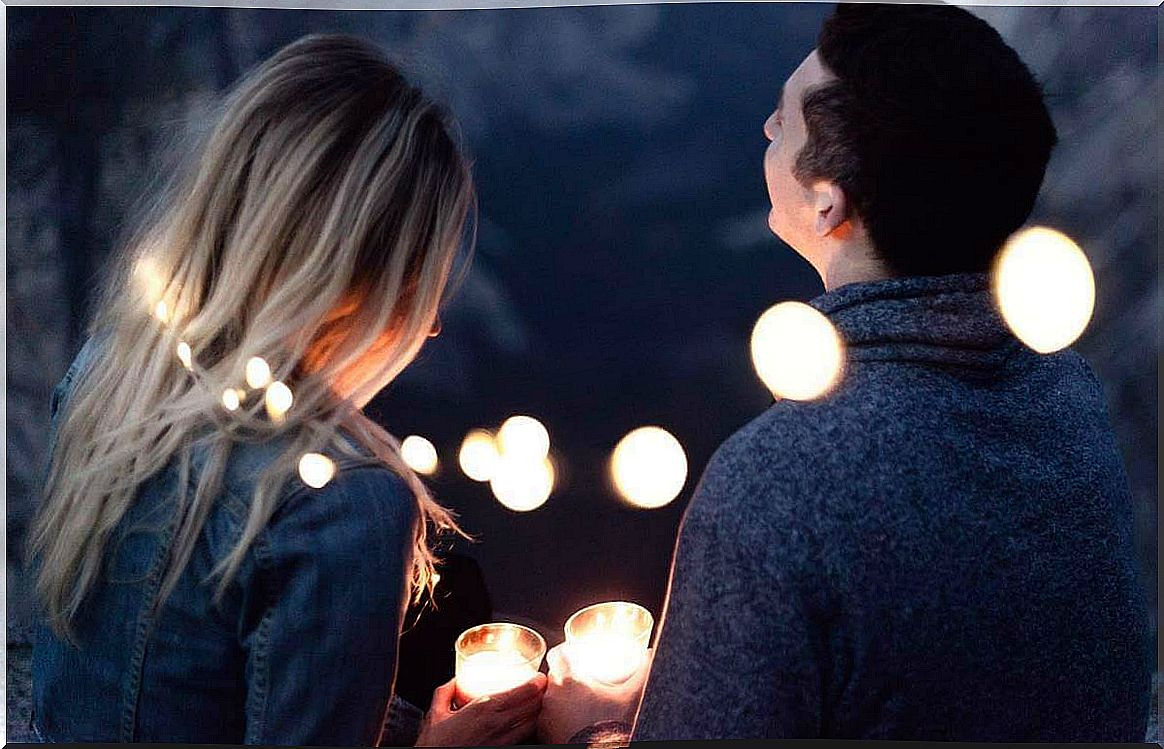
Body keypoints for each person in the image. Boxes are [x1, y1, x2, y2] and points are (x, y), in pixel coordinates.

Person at [538, 3, 1152, 743]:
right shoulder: (1070, 399)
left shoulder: (772, 486)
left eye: (783, 117)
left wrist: (594, 731)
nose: (766, 129)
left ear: (829, 201)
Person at [29, 34, 544, 746]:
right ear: (356, 279)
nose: (427, 327)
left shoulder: (104, 376)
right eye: (421, 280)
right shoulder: (343, 500)